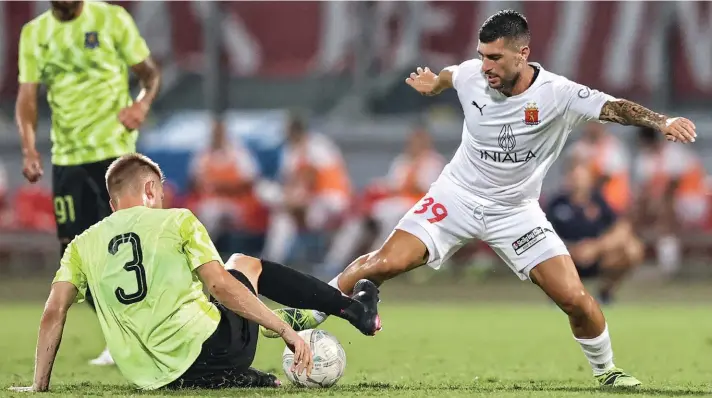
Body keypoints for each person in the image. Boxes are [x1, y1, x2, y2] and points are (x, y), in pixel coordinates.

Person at [264, 10, 697, 387]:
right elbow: (452, 75)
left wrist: (663, 121)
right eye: (480, 55)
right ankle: (310, 312)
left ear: (522, 54)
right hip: (455, 196)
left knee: (574, 299)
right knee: (383, 262)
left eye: (494, 57)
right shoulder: (472, 74)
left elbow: (615, 107)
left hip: (516, 213)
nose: (484, 65)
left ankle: (608, 371)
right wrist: (435, 85)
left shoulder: (558, 94)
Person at [8, 153, 380, 393]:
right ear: (151, 189)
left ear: (112, 202)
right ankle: (351, 309)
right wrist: (285, 332)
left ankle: (237, 375)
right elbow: (219, 285)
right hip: (214, 350)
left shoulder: (80, 246)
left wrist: (39, 385)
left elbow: (53, 313)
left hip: (152, 377)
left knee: (197, 303)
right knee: (242, 265)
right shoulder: (177, 220)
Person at [15, 0, 161, 365]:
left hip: (115, 153)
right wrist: (30, 147)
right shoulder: (35, 34)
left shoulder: (111, 18)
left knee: (129, 247)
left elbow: (149, 75)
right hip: (67, 159)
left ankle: (156, 329)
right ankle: (121, 334)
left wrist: (142, 105)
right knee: (76, 256)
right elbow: (27, 97)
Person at [546, 159, 643, 304]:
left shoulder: (599, 201)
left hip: (596, 257)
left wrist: (595, 248)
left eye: (582, 177)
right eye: (574, 176)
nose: (578, 181)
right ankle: (559, 295)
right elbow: (543, 235)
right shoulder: (556, 204)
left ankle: (605, 293)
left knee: (632, 248)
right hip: (566, 258)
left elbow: (622, 229)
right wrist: (570, 249)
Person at [633, 127, 708, 276]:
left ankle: (669, 266)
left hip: (691, 200)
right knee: (637, 210)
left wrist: (657, 202)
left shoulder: (675, 153)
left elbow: (674, 186)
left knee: (666, 209)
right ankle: (633, 255)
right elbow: (643, 189)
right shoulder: (644, 158)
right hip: (661, 203)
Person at [569, 122, 631, 214]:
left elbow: (607, 175)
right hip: (589, 203)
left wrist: (587, 181)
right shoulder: (580, 146)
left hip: (612, 202)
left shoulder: (612, 146)